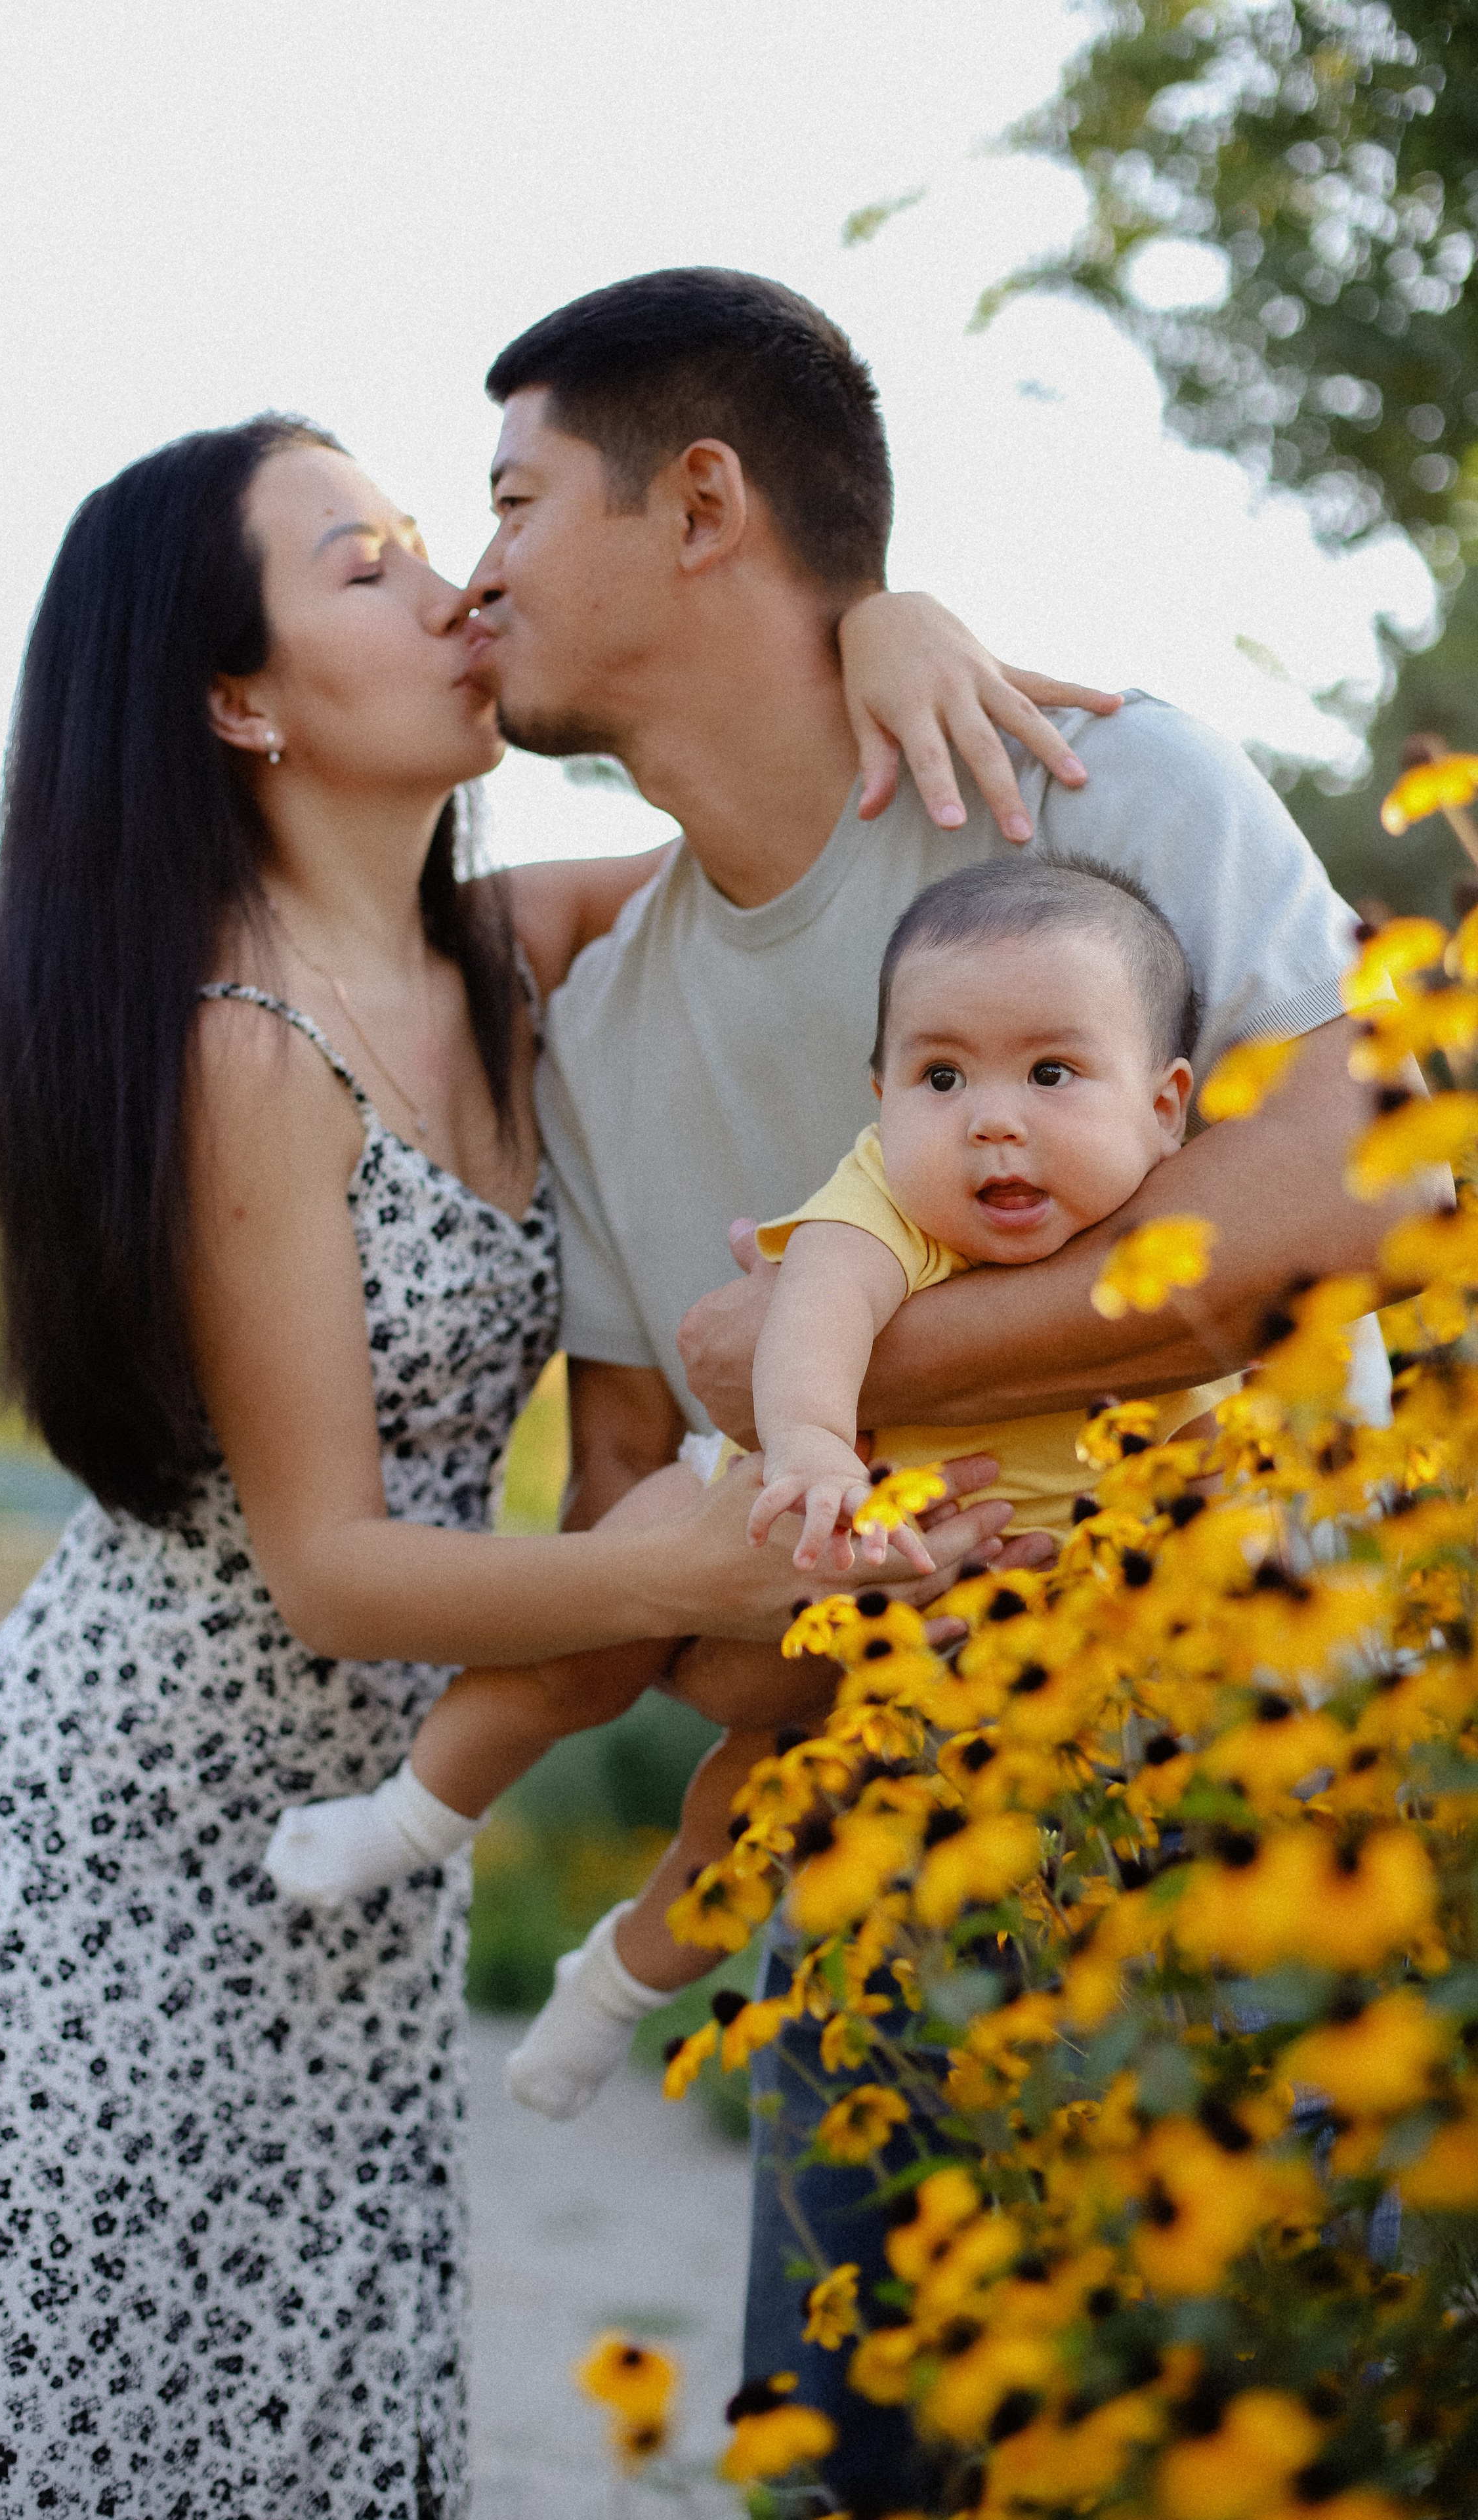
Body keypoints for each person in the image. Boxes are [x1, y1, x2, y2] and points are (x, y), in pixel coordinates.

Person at [0, 408, 1096, 2520]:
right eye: (368, 564)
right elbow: (330, 1569)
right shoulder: (242, 1040)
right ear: (241, 700)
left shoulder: (496, 964)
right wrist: (697, 1569)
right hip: (119, 1868)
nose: (457, 588)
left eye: (435, 537)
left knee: (311, 2443)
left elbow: (787, 839)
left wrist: (882, 627)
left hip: (365, 1876)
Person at [452, 265, 1418, 2515]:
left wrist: (813, 1358)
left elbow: (1355, 1190)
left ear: (703, 506)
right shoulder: (597, 1027)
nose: (478, 570)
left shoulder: (1095, 780)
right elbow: (634, 1537)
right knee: (851, 2481)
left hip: (1264, 1842)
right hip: (875, 1868)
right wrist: (832, 1561)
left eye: (512, 500)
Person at [287, 856, 1241, 2125]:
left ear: (1166, 1107)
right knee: (577, 1659)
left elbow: (1205, 1454)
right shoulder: (890, 1200)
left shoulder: (1172, 1254)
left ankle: (612, 1987)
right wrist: (811, 1448)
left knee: (757, 1823)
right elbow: (820, 1311)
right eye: (940, 1078)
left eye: (1052, 1074)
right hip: (768, 1504)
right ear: (881, 1096)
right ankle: (415, 1817)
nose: (992, 1121)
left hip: (933, 1642)